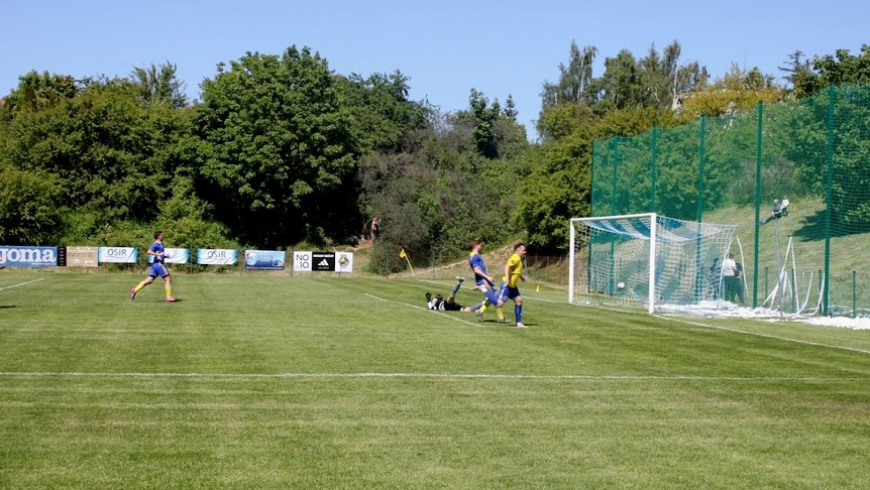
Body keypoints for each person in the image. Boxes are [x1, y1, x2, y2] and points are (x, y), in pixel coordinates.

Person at [131, 231, 176, 302]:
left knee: (149, 281)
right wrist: (156, 254)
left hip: (155, 264)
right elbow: (148, 251)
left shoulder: (161, 244)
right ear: (158, 236)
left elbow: (159, 254)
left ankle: (135, 289)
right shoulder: (156, 244)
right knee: (168, 279)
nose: (163, 236)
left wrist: (165, 256)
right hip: (159, 264)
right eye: (162, 235)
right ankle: (168, 296)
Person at [467, 238, 504, 323]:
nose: (481, 247)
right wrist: (487, 277)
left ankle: (480, 311)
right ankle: (501, 318)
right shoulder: (474, 256)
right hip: (483, 281)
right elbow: (476, 270)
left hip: (484, 280)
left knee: (495, 295)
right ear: (476, 245)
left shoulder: (472, 255)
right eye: (480, 245)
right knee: (496, 298)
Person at [495, 243, 528, 328]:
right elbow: (507, 266)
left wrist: (521, 277)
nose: (525, 251)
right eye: (523, 250)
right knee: (499, 305)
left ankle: (519, 323)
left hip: (513, 286)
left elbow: (516, 270)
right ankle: (489, 297)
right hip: (507, 285)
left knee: (519, 301)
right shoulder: (515, 257)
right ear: (518, 250)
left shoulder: (519, 259)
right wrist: (507, 278)